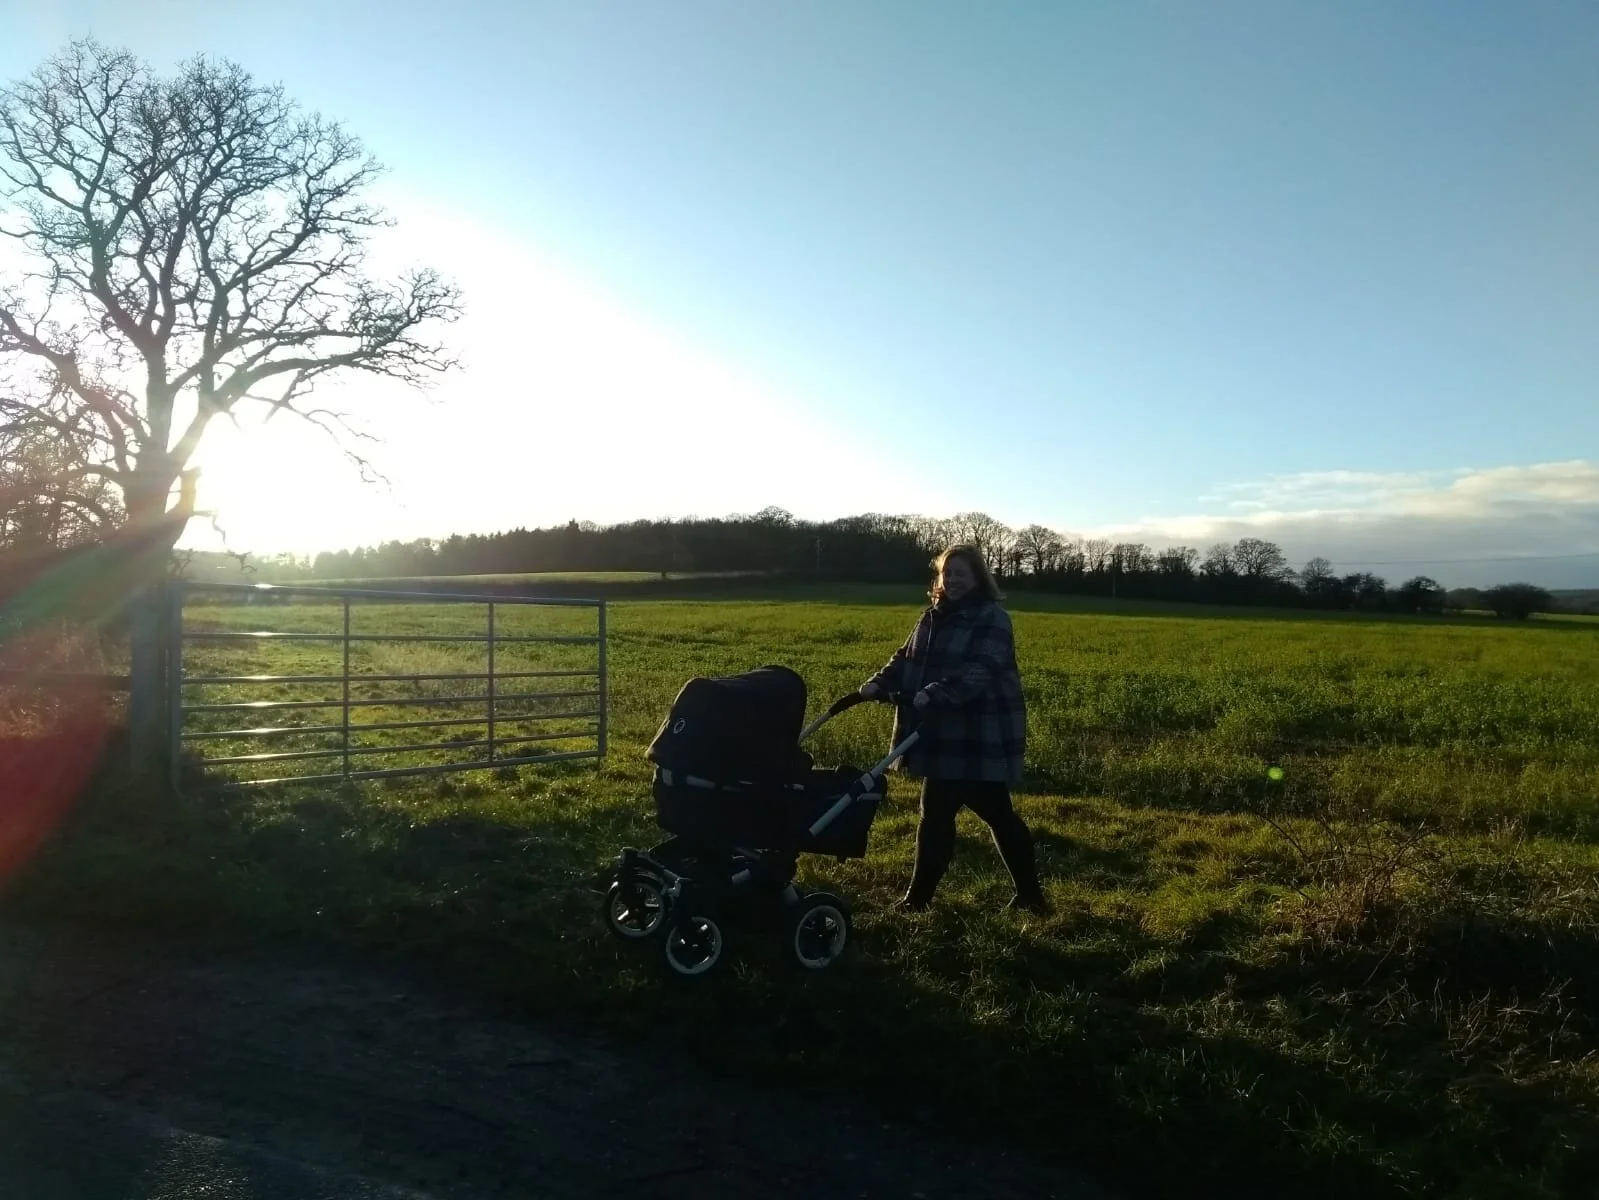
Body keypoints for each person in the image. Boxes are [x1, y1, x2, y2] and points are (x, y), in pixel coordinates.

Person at [860, 545, 1051, 915]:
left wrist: (936, 693)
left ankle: (918, 901)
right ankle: (1030, 897)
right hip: (938, 730)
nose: (953, 580)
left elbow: (981, 669)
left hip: (974, 733)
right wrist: (879, 683)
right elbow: (906, 657)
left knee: (942, 812)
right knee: (989, 812)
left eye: (961, 574)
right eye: (947, 573)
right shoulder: (932, 616)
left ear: (978, 577)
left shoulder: (992, 618)